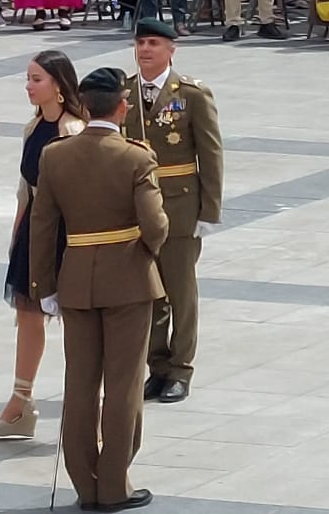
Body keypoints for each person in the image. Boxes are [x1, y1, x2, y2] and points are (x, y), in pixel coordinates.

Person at [29, 66, 166, 513]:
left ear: (85, 107)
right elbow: (155, 225)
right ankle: (114, 484)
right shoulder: (136, 157)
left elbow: (42, 226)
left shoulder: (55, 155)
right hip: (128, 280)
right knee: (123, 384)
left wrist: (44, 286)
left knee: (80, 384)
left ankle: (85, 485)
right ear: (123, 106)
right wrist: (146, 250)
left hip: (74, 281)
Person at [0, 51, 86, 439]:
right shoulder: (34, 127)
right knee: (28, 316)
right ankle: (20, 403)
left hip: (64, 233)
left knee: (77, 320)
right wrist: (17, 234)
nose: (28, 86)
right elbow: (25, 189)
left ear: (59, 85)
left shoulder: (73, 130)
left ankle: (86, 405)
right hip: (34, 229)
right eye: (28, 78)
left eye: (36, 79)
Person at [122, 21, 223, 406]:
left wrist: (209, 211)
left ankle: (181, 369)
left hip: (179, 206)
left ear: (171, 50)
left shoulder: (191, 94)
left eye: (154, 43)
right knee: (148, 293)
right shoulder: (125, 92)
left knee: (180, 292)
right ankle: (157, 367)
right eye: (141, 43)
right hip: (137, 208)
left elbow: (210, 154)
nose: (145, 50)